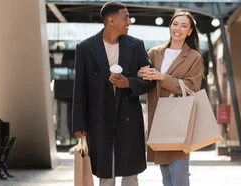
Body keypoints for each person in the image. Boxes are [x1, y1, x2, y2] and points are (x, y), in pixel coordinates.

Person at [72, 1, 155, 186]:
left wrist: (128, 83)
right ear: (111, 20)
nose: (129, 21)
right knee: (106, 175)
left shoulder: (136, 45)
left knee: (131, 173)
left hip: (129, 117)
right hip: (99, 118)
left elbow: (150, 80)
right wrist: (79, 123)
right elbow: (80, 89)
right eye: (125, 17)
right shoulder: (85, 48)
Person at [138, 11, 204, 186]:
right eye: (175, 24)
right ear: (170, 27)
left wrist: (162, 78)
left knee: (179, 175)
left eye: (184, 26)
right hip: (158, 119)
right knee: (166, 175)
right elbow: (140, 73)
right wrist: (143, 73)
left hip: (179, 120)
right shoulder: (154, 53)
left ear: (190, 31)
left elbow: (192, 87)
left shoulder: (193, 57)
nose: (178, 29)